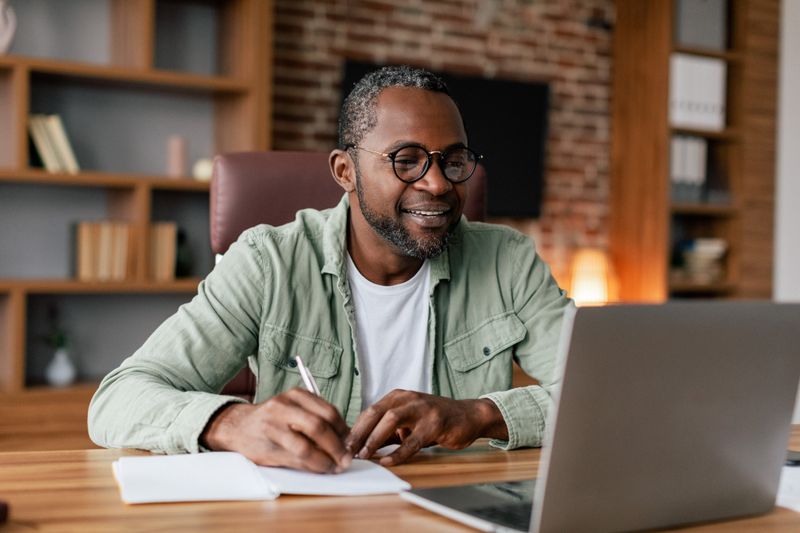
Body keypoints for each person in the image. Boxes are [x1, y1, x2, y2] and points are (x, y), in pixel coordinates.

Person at [88, 66, 572, 474]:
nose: (438, 183)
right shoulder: (267, 262)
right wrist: (231, 423)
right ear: (345, 172)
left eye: (454, 160)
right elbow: (119, 398)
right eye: (406, 160)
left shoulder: (508, 261)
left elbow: (601, 399)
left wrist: (482, 414)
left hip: (456, 508)